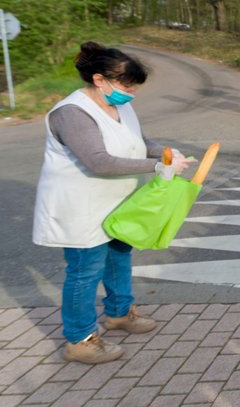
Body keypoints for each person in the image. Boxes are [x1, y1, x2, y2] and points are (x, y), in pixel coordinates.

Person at [33, 41, 194, 364]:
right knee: (84, 272)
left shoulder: (120, 105)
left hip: (118, 203)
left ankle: (120, 313)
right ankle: (80, 339)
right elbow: (99, 161)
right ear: (99, 79)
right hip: (80, 207)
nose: (130, 92)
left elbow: (137, 140)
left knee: (119, 257)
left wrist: (163, 151)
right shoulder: (72, 113)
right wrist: (156, 167)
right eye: (125, 84)